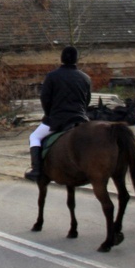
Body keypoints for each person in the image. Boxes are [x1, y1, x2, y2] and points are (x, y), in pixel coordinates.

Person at [24, 46, 92, 181]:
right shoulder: (85, 78)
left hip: (58, 119)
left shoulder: (52, 76)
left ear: (62, 58)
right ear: (76, 59)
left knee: (34, 137)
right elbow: (87, 100)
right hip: (81, 118)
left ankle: (36, 170)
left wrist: (48, 114)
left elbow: (45, 99)